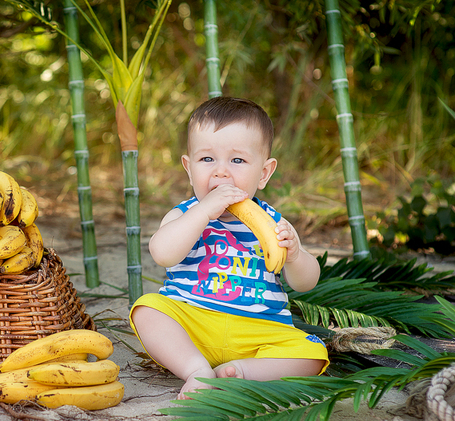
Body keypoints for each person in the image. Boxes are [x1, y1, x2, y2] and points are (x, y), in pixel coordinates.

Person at [130, 96, 329, 399]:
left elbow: (306, 282)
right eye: (207, 159)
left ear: (264, 173)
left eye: (237, 161)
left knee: (313, 354)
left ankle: (240, 371)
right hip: (193, 324)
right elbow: (162, 253)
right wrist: (203, 212)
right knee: (147, 310)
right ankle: (196, 369)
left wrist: (295, 256)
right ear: (189, 168)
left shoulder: (273, 224)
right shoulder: (184, 215)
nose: (221, 172)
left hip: (258, 330)